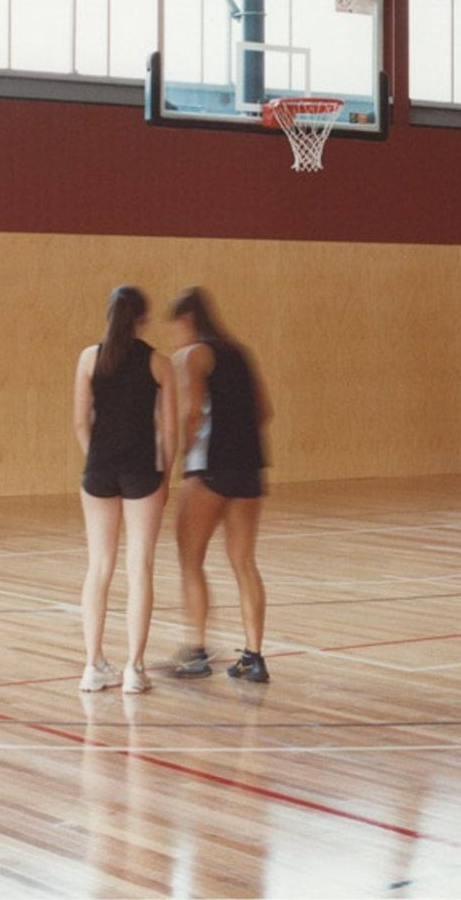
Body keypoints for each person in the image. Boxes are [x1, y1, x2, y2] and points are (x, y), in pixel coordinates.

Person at [73, 285, 177, 694]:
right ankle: (134, 667)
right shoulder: (159, 363)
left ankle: (92, 664)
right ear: (143, 320)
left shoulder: (88, 358)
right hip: (141, 472)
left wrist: (97, 456)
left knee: (99, 567)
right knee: (140, 567)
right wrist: (166, 477)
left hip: (99, 471)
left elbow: (81, 423)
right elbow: (169, 431)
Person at [169, 286, 272, 682]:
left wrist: (183, 455)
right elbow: (264, 410)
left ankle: (195, 650)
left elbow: (192, 411)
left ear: (186, 320)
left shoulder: (194, 354)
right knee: (244, 562)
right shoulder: (241, 353)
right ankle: (253, 656)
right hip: (250, 467)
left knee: (190, 559)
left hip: (209, 469)